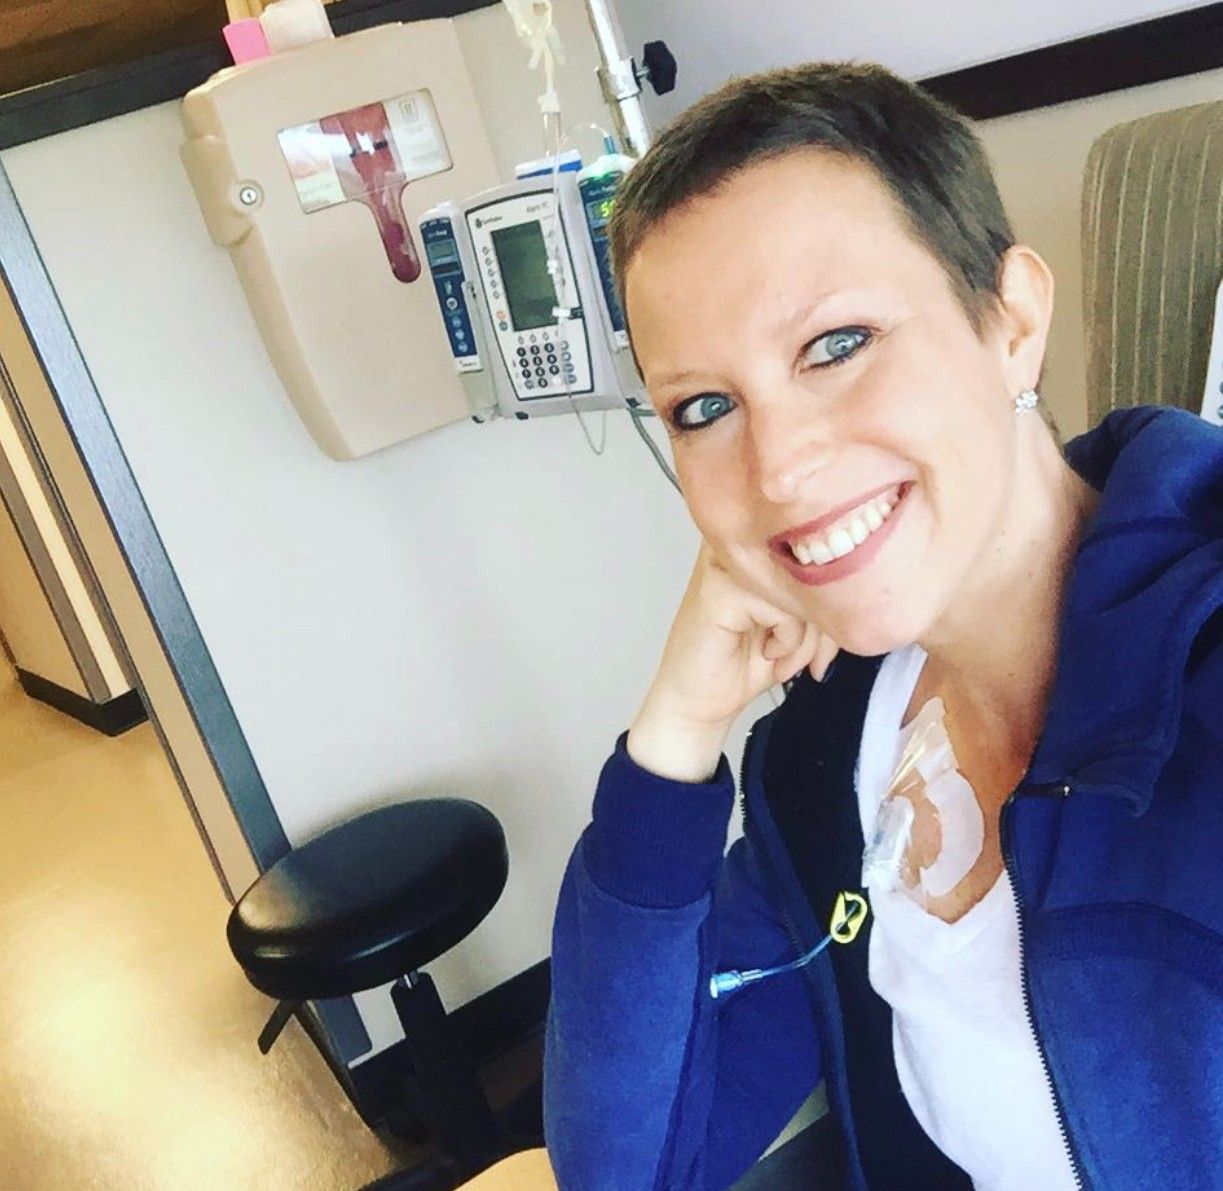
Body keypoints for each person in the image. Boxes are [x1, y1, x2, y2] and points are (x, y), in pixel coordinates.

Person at [542, 61, 1223, 1191]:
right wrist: (673, 735)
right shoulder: (828, 753)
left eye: (835, 343)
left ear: (1010, 319)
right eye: (703, 408)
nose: (779, 467)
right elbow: (630, 1168)